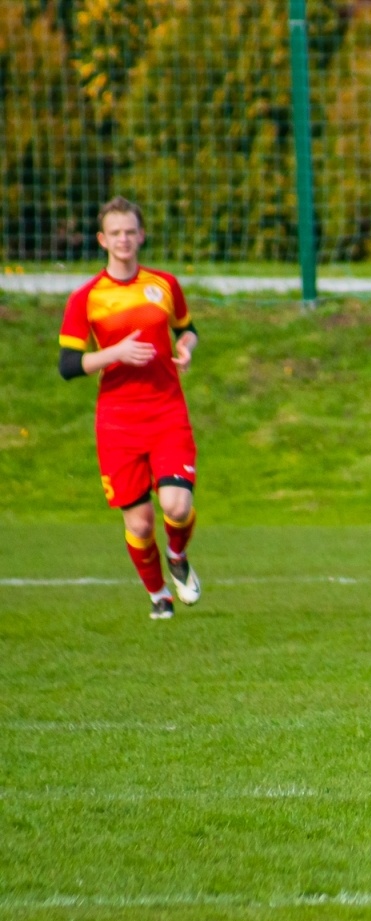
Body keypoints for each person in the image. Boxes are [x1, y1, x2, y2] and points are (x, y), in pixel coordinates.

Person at [58, 197, 201, 619]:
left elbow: (187, 328)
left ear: (141, 235)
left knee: (176, 506)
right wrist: (115, 352)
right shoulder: (86, 298)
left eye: (130, 231)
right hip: (118, 422)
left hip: (167, 411)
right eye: (114, 232)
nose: (123, 239)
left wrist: (186, 347)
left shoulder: (165, 284)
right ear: (103, 239)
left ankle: (177, 556)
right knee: (139, 524)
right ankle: (159, 594)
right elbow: (68, 365)